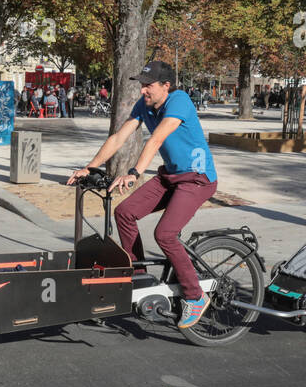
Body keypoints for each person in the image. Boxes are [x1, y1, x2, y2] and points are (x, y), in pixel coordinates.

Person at [67, 60, 218, 329]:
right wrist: (88, 168)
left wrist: (135, 173)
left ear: (166, 86)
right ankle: (139, 279)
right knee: (124, 212)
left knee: (165, 234)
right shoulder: (144, 106)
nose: (143, 91)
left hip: (197, 179)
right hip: (171, 176)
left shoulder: (179, 100)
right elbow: (118, 137)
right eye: (141, 86)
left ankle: (195, 297)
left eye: (148, 86)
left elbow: (156, 139)